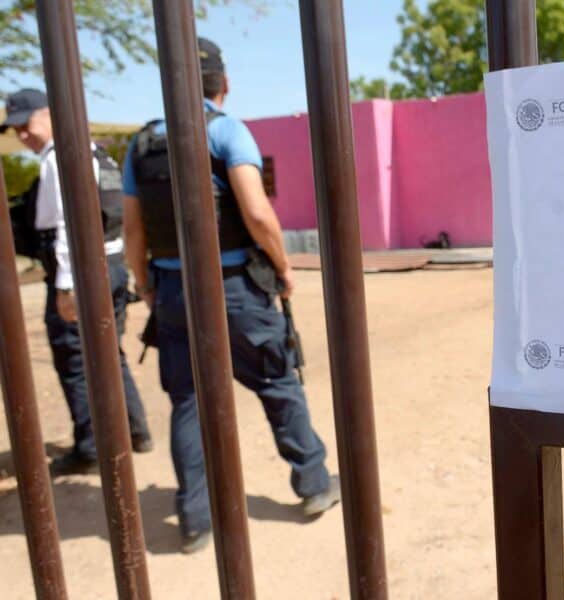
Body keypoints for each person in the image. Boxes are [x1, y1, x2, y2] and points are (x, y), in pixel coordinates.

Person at [121, 38, 340, 554]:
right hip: (234, 287)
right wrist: (284, 268)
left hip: (173, 290)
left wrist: (148, 285)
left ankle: (196, 517)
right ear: (223, 84)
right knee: (277, 382)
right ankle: (312, 486)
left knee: (189, 401)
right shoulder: (224, 129)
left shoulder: (143, 144)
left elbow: (133, 233)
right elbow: (258, 214)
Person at [1, 89, 152, 476]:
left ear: (49, 114)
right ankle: (135, 430)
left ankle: (90, 447)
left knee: (74, 359)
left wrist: (67, 287)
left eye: (26, 124)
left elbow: (69, 225)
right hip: (111, 264)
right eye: (16, 129)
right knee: (107, 352)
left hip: (81, 272)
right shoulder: (94, 153)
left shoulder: (59, 159)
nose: (22, 135)